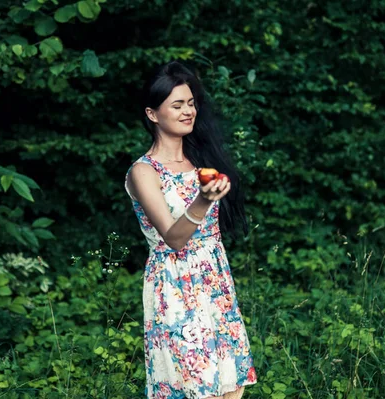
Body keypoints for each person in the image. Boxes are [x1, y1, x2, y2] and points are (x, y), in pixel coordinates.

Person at [125, 61, 257, 399]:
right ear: (153, 114)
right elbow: (174, 238)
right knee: (195, 387)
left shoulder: (201, 162)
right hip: (174, 285)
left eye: (191, 103)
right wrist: (202, 200)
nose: (188, 111)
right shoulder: (144, 172)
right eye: (177, 104)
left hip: (213, 277)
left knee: (231, 386)